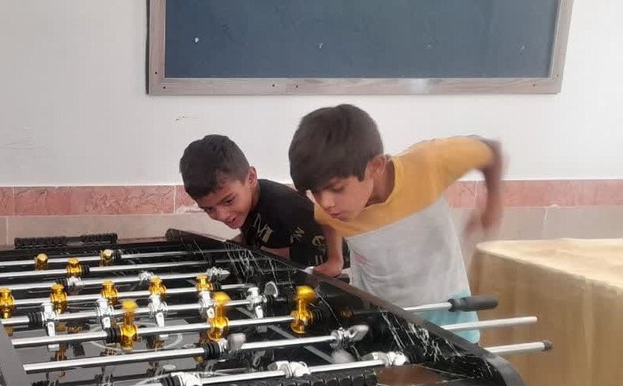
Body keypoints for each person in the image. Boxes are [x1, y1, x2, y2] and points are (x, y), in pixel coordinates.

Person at [288, 104, 504, 342]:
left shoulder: (428, 163)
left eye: (337, 188)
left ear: (375, 167)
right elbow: (325, 219)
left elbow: (490, 150)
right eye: (315, 192)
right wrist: (335, 259)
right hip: (382, 317)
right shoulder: (332, 207)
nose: (325, 203)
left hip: (447, 309)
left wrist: (493, 202)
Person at [180, 134, 345, 272]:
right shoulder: (245, 206)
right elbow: (255, 236)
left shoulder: (287, 206)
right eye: (208, 209)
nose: (222, 215)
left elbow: (338, 245)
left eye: (228, 200)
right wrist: (224, 250)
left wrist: (279, 254)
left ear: (251, 178)